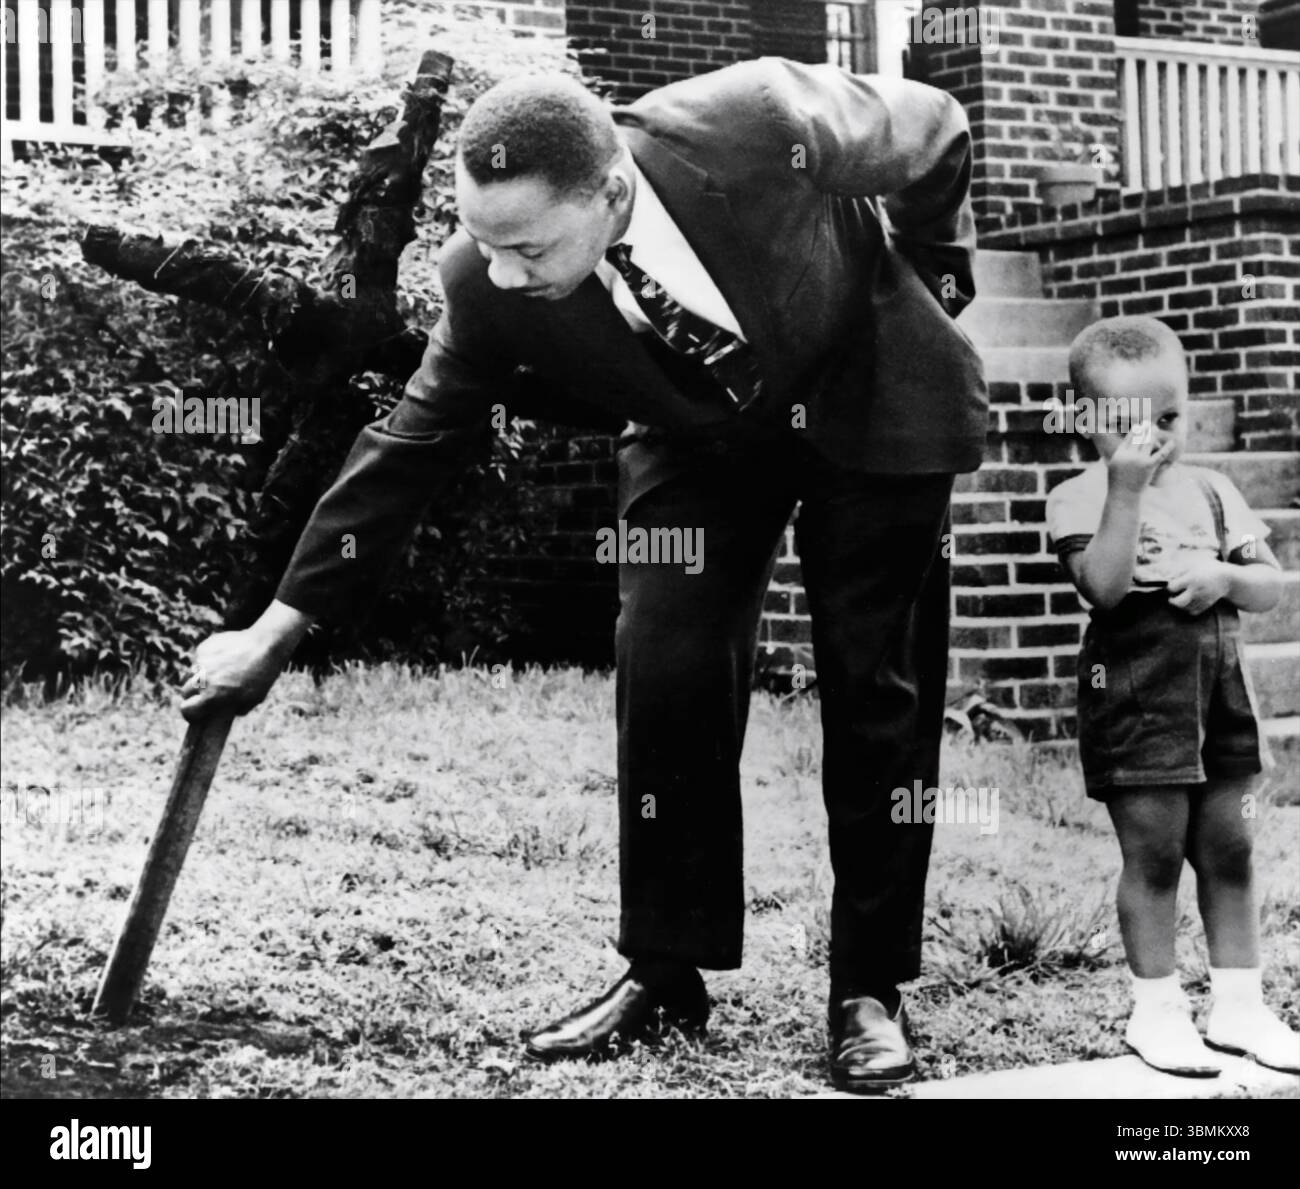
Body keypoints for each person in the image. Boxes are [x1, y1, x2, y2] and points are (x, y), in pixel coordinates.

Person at [180, 60, 987, 1091]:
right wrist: (274, 630)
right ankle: (664, 968)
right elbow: (408, 447)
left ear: (608, 193)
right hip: (699, 431)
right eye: (486, 241)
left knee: (877, 684)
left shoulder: (754, 122)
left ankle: (868, 987)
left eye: (527, 247)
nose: (505, 274)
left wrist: (932, 276)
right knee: (665, 666)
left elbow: (937, 126)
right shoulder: (485, 282)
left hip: (872, 387)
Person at [1047, 315, 1298, 1077]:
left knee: (1230, 845)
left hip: (1220, 690)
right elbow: (1105, 588)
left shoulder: (1215, 491)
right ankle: (1155, 1010)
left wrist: (1225, 577)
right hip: (1137, 695)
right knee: (1153, 852)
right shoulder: (1080, 496)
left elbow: (1269, 585)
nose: (1154, 437)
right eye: (1131, 424)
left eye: (1170, 418)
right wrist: (1123, 488)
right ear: (1087, 421)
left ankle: (1240, 1004)